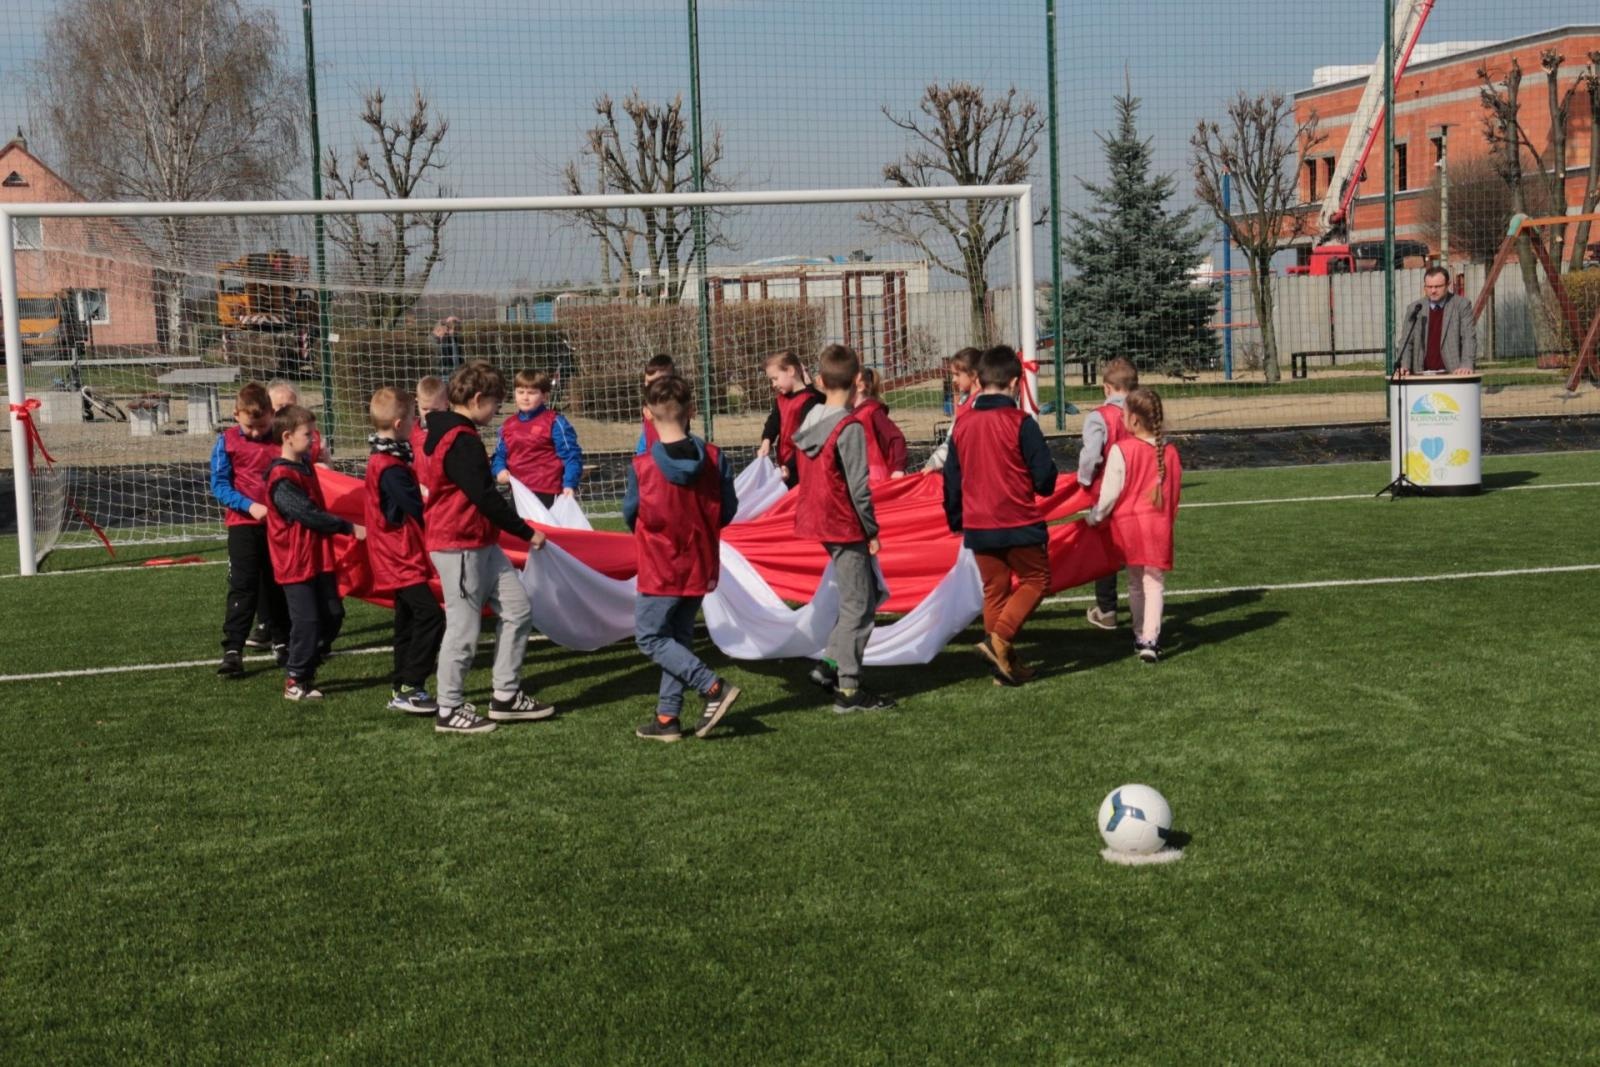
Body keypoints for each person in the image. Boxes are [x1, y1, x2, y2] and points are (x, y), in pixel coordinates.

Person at [422, 360, 554, 734]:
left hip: (479, 541)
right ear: (477, 399)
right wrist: (526, 532)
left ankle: (506, 695)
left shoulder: (454, 432)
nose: (498, 411)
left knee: (517, 609)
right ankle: (449, 707)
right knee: (463, 628)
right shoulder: (459, 440)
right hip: (458, 544)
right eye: (495, 403)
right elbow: (483, 496)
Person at [623, 375, 743, 742]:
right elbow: (728, 509)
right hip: (700, 560)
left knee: (650, 637)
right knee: (678, 637)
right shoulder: (715, 457)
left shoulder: (642, 466)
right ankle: (667, 718)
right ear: (692, 410)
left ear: (646, 414)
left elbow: (632, 513)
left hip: (661, 565)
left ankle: (712, 687)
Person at [942, 344, 1058, 685]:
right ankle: (999, 640)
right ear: (1016, 383)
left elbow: (951, 479)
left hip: (978, 523)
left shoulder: (963, 425)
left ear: (979, 379)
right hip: (1017, 519)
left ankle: (1004, 664)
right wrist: (1044, 481)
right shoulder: (1021, 422)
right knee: (1037, 580)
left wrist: (955, 517)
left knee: (995, 590)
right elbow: (1044, 478)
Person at [792, 344, 894, 713]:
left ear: (819, 381)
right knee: (860, 605)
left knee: (857, 597)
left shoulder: (810, 420)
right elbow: (858, 487)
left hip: (818, 521)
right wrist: (871, 531)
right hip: (844, 523)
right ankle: (849, 689)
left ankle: (830, 664)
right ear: (858, 382)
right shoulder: (848, 428)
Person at [266, 405, 364, 702]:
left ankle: (307, 660)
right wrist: (348, 527)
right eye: (307, 434)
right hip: (295, 561)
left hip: (318, 556)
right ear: (287, 437)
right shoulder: (282, 477)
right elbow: (308, 514)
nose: (312, 439)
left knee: (333, 614)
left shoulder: (304, 464)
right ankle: (296, 677)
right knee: (307, 620)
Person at [365, 386, 446, 716]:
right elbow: (414, 506)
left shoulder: (386, 460)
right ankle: (413, 684)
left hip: (396, 554)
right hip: (398, 556)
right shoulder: (391, 467)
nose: (417, 422)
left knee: (408, 620)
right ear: (400, 424)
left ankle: (401, 686)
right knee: (431, 616)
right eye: (414, 417)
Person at [1086, 387, 1182, 663]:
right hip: (1158, 527)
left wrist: (1094, 517)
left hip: (1129, 528)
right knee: (1154, 583)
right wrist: (1167, 522)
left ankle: (1141, 633)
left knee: (1136, 582)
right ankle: (1150, 639)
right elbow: (1174, 493)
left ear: (1135, 421)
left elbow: (1109, 494)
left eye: (1124, 415)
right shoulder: (1169, 453)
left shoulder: (1122, 450)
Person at [212, 381, 289, 677]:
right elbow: (219, 485)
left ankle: (283, 641)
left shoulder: (282, 439)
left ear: (272, 413)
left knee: (279, 583)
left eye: (261, 425)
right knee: (243, 586)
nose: (256, 432)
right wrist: (249, 505)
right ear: (235, 416)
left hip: (279, 526)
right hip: (243, 525)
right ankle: (233, 649)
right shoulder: (227, 442)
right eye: (249, 427)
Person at [1078, 357, 1138, 630]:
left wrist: (1083, 480)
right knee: (1136, 550)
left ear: (1106, 388)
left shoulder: (1099, 417)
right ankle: (1144, 613)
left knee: (1106, 550)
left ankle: (1107, 610)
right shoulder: (1143, 412)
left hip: (1106, 491)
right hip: (1138, 491)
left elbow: (1091, 455)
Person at [490, 369, 584, 508]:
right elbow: (499, 455)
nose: (525, 397)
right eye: (520, 392)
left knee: (544, 530)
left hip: (549, 493)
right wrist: (499, 470)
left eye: (532, 393)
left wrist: (569, 484)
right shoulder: (508, 425)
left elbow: (571, 455)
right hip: (518, 493)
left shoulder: (555, 422)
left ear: (545, 397)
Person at [758, 350, 824, 486]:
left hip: (804, 465)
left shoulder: (810, 400)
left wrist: (791, 465)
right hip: (786, 464)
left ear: (790, 371)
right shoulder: (781, 399)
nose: (773, 384)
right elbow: (773, 421)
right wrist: (767, 440)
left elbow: (808, 439)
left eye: (775, 378)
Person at [1397, 267, 1476, 375]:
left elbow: (1468, 337)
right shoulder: (1415, 308)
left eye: (1438, 286)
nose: (1433, 291)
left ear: (1448, 285)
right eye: (1429, 287)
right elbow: (1406, 341)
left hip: (1454, 372)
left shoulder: (1461, 305)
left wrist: (1466, 364)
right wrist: (1404, 365)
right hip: (1421, 373)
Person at [921, 347, 981, 473]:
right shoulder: (963, 401)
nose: (953, 380)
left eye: (957, 375)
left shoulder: (983, 403)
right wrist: (933, 463)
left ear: (973, 374)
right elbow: (951, 440)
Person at [852, 367, 909, 482]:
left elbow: (895, 438)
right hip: (858, 475)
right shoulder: (851, 413)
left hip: (874, 476)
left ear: (860, 387)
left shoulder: (872, 411)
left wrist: (898, 468)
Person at [635, 354, 679, 455]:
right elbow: (645, 438)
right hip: (651, 461)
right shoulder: (649, 406)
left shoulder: (677, 406)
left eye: (656, 382)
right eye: (647, 382)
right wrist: (640, 457)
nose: (650, 387)